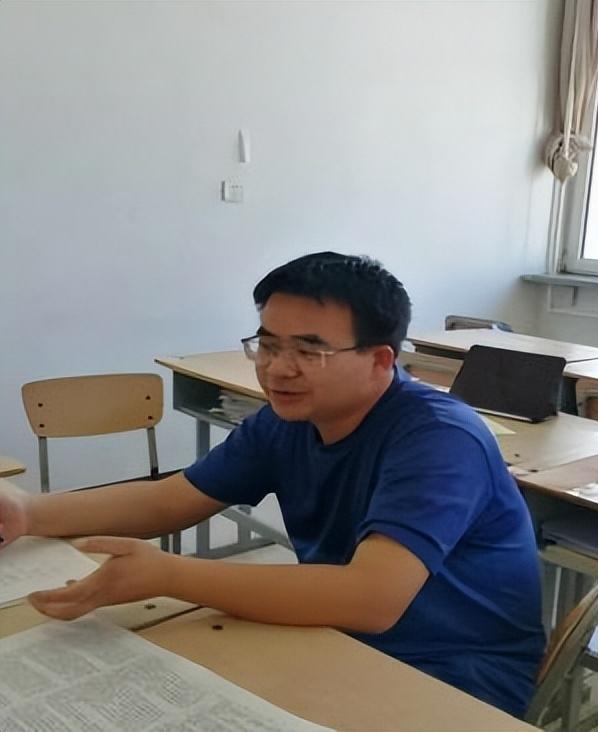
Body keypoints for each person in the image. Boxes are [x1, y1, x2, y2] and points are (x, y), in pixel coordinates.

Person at [0, 252, 545, 718]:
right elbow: (171, 500)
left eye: (309, 351)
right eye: (267, 345)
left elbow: (371, 598)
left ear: (381, 360)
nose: (278, 369)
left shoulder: (439, 438)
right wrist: (28, 512)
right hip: (332, 638)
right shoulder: (286, 421)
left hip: (453, 671)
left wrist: (169, 574)